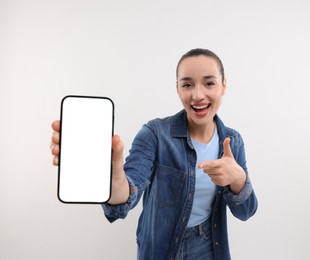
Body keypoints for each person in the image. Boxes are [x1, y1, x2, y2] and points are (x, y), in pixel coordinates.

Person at [51, 48, 258, 260]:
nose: (197, 95)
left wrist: (239, 179)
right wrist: (114, 177)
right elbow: (126, 195)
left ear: (224, 86)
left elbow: (246, 212)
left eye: (209, 83)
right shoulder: (154, 134)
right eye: (187, 84)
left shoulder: (233, 142)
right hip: (160, 246)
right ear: (177, 89)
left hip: (208, 247)